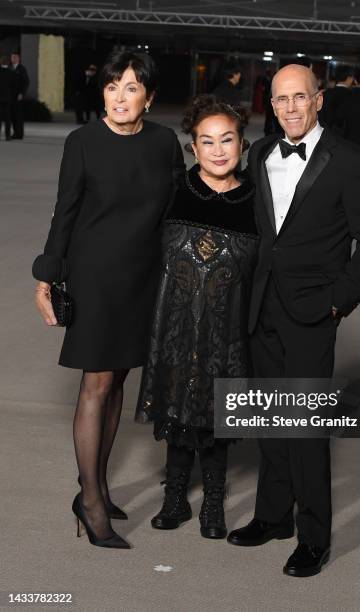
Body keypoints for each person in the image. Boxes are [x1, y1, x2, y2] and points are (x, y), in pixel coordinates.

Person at [227, 65, 360, 577]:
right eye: (281, 100)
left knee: (303, 426)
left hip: (314, 311)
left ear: (318, 100)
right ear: (270, 106)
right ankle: (272, 517)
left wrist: (340, 300)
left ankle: (314, 535)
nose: (291, 108)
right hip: (261, 306)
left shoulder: (350, 161)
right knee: (269, 418)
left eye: (301, 97)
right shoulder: (259, 154)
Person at [32, 51, 184, 549]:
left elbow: (177, 209)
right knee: (97, 382)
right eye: (113, 85)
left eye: (132, 87)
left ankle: (94, 482)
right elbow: (65, 211)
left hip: (143, 278)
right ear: (103, 92)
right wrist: (47, 277)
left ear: (150, 98)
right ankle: (92, 500)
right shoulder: (83, 142)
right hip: (94, 278)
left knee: (118, 377)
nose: (120, 96)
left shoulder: (164, 144)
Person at [135, 95, 258, 539]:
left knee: (217, 412)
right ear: (194, 148)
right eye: (207, 142)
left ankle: (212, 501)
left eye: (227, 140)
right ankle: (175, 498)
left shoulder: (256, 201)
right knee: (176, 404)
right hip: (175, 324)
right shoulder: (174, 192)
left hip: (229, 330)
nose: (218, 150)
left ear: (243, 143)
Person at [318, 64, 354, 134]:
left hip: (326, 134)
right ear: (349, 78)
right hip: (346, 137)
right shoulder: (352, 95)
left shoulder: (325, 94)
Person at [9, 52, 29, 140]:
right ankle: (15, 133)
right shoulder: (10, 68)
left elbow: (26, 82)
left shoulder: (22, 69)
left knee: (19, 116)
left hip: (19, 96)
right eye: (12, 57)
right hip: (11, 96)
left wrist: (22, 93)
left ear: (18, 58)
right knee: (12, 116)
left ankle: (20, 134)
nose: (13, 59)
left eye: (15, 57)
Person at [0, 56, 14, 141]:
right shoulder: (11, 73)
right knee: (7, 118)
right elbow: (14, 86)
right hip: (8, 98)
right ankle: (7, 136)